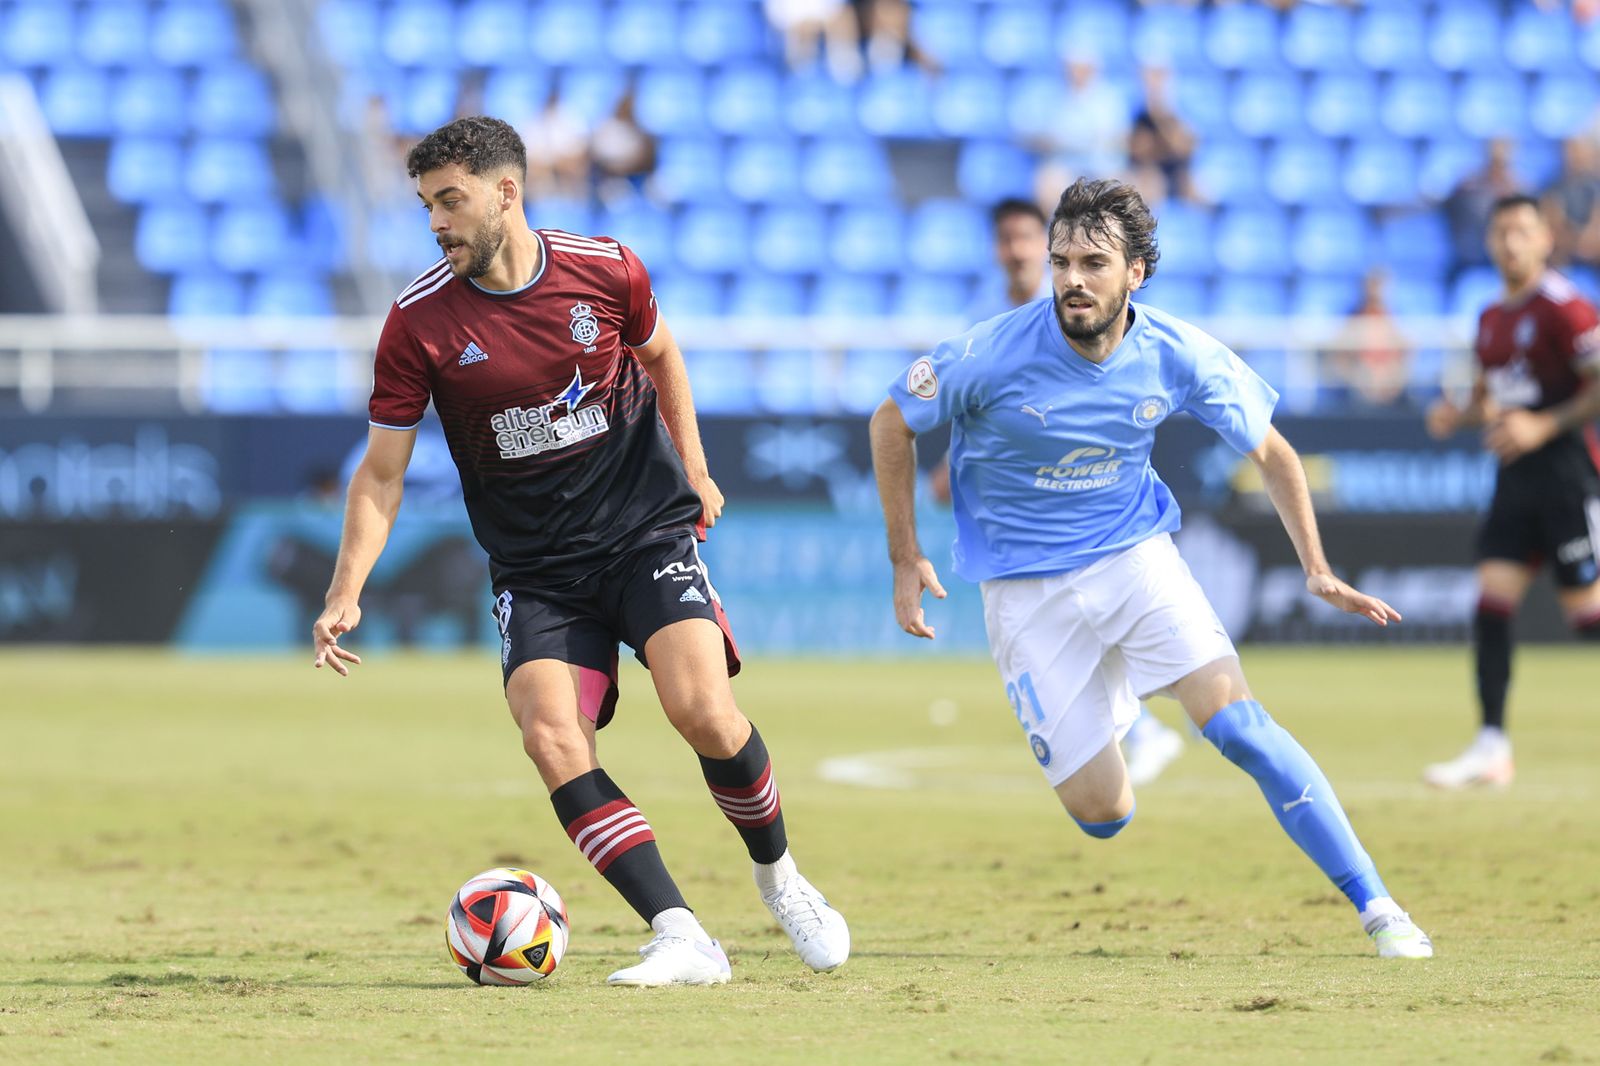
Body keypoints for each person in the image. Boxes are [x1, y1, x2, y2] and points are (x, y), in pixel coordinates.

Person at [311, 117, 848, 986]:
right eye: (427, 207)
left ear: (506, 193)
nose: (438, 222)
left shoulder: (605, 268)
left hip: (644, 533)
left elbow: (663, 354)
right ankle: (680, 933)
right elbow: (380, 475)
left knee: (702, 710)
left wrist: (699, 471)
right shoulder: (417, 325)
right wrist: (347, 589)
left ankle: (780, 880)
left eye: (451, 201)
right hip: (537, 571)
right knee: (551, 735)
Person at [869, 177, 1432, 958]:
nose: (1072, 278)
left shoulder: (1176, 351)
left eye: (1094, 262)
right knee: (1103, 814)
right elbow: (892, 420)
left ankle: (1380, 908)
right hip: (1025, 595)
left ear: (1136, 272)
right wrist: (906, 555)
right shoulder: (988, 352)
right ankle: (1126, 706)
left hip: (1135, 561)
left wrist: (1316, 566)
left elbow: (1272, 452)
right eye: (1062, 260)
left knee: (1243, 729)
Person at [959, 196, 1188, 785]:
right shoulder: (986, 320)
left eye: (1026, 239)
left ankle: (1143, 729)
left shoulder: (1074, 310)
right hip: (1012, 506)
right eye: (1005, 239)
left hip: (1078, 507)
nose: (1015, 250)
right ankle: (1135, 730)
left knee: (1085, 612)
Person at [1421, 194, 1600, 790]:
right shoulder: (1490, 317)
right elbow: (1495, 398)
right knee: (1492, 605)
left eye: (1522, 231)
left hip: (1567, 476)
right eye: (1501, 232)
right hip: (1514, 479)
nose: (1510, 242)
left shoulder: (1566, 308)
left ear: (1546, 239)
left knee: (1585, 617)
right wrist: (1460, 415)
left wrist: (1543, 426)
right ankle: (1491, 746)